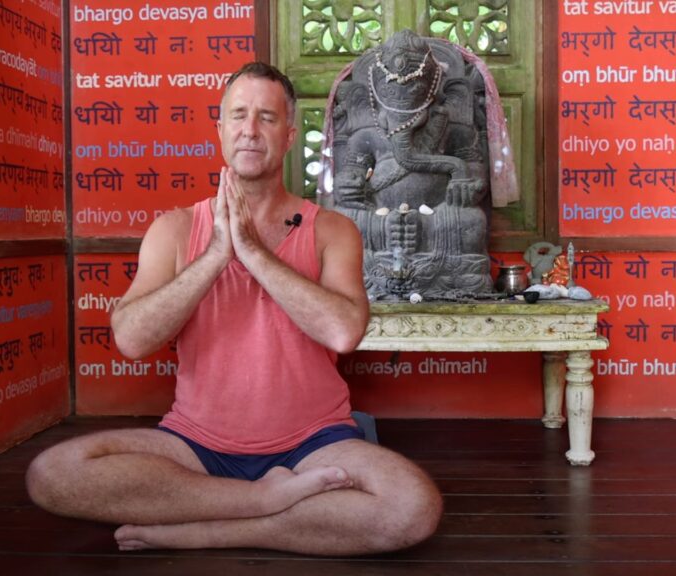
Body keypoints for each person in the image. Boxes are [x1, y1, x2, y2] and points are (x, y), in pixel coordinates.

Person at [26, 62, 443, 555]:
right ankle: (260, 501)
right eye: (239, 116)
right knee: (51, 475)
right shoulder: (176, 229)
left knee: (412, 507)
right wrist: (217, 254)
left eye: (267, 118)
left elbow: (342, 332)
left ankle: (212, 528)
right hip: (195, 447)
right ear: (219, 130)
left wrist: (254, 253)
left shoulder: (331, 230)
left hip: (314, 442)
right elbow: (132, 339)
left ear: (289, 136)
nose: (250, 130)